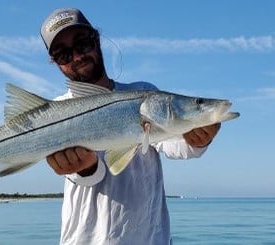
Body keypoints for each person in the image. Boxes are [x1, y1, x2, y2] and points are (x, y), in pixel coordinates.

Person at [40, 8, 221, 245]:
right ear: (56, 63)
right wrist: (85, 169)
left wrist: (198, 139)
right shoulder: (55, 111)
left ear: (96, 40)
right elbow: (86, 176)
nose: (76, 57)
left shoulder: (144, 94)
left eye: (82, 44)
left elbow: (176, 144)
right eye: (63, 54)